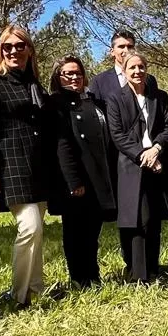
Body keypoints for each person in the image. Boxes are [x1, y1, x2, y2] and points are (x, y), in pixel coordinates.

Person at [0, 25, 53, 307]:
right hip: (11, 165)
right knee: (29, 228)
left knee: (37, 231)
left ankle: (36, 288)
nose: (14, 51)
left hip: (40, 166)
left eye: (20, 46)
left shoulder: (35, 84)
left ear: (29, 50)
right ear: (1, 50)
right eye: (7, 46)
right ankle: (18, 295)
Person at [105, 52, 168, 282]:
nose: (137, 71)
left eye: (141, 67)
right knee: (138, 220)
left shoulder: (159, 96)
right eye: (132, 68)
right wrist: (143, 155)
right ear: (125, 71)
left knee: (154, 219)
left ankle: (153, 270)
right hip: (132, 166)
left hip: (158, 164)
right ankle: (139, 275)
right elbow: (117, 135)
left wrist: (156, 149)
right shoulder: (115, 99)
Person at [49, 56, 117, 289]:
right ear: (58, 77)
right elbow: (62, 145)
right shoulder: (56, 104)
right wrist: (73, 180)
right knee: (75, 232)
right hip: (75, 179)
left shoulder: (92, 101)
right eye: (68, 73)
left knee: (92, 232)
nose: (74, 77)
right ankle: (79, 278)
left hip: (97, 176)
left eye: (77, 73)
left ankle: (93, 275)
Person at [87, 29, 158, 104]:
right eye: (121, 47)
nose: (126, 50)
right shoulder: (98, 82)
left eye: (130, 47)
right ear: (112, 52)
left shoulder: (149, 80)